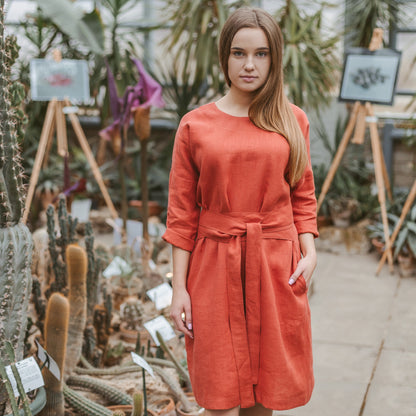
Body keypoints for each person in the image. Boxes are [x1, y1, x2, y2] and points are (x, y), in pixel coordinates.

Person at [162, 6, 318, 416]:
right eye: (239, 53)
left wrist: (310, 251)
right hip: (214, 264)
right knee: (219, 394)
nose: (250, 65)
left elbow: (303, 195)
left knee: (267, 391)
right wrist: (179, 288)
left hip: (275, 263)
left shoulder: (291, 119)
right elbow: (181, 216)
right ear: (224, 57)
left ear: (275, 58)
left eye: (261, 54)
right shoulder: (195, 125)